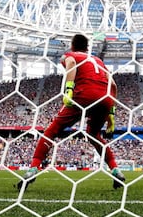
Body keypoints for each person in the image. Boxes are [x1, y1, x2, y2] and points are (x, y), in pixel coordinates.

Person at [16, 34, 125, 191]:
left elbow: (72, 63)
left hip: (83, 96)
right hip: (105, 99)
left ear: (72, 45)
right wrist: (112, 113)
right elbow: (113, 84)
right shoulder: (98, 61)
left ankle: (32, 169)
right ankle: (116, 170)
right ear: (87, 47)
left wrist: (68, 89)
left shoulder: (70, 55)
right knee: (94, 135)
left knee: (52, 131)